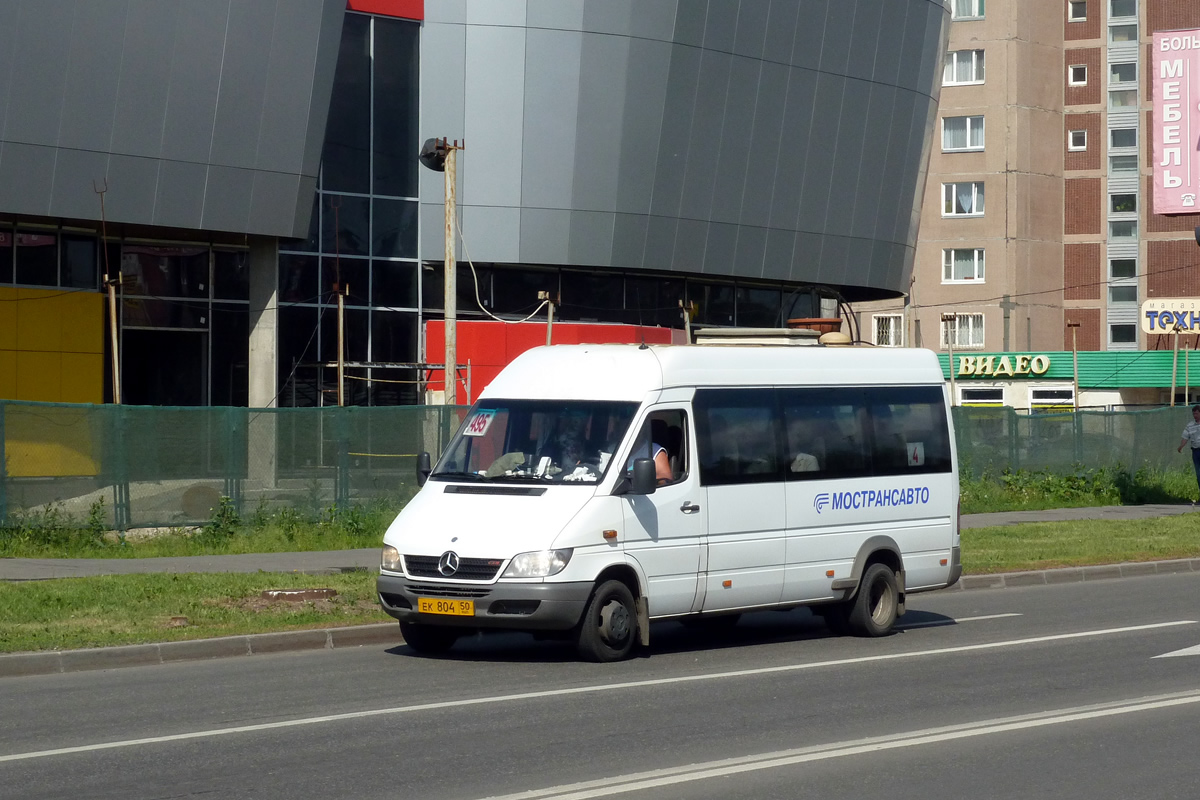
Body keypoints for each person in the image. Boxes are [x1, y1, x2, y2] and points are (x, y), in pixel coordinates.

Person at [1176, 404, 1200, 504]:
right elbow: (1185, 437)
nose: (1195, 415)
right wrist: (1181, 446)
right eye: (1193, 414)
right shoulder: (1190, 425)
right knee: (1199, 474)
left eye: (1197, 413)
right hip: (1196, 451)